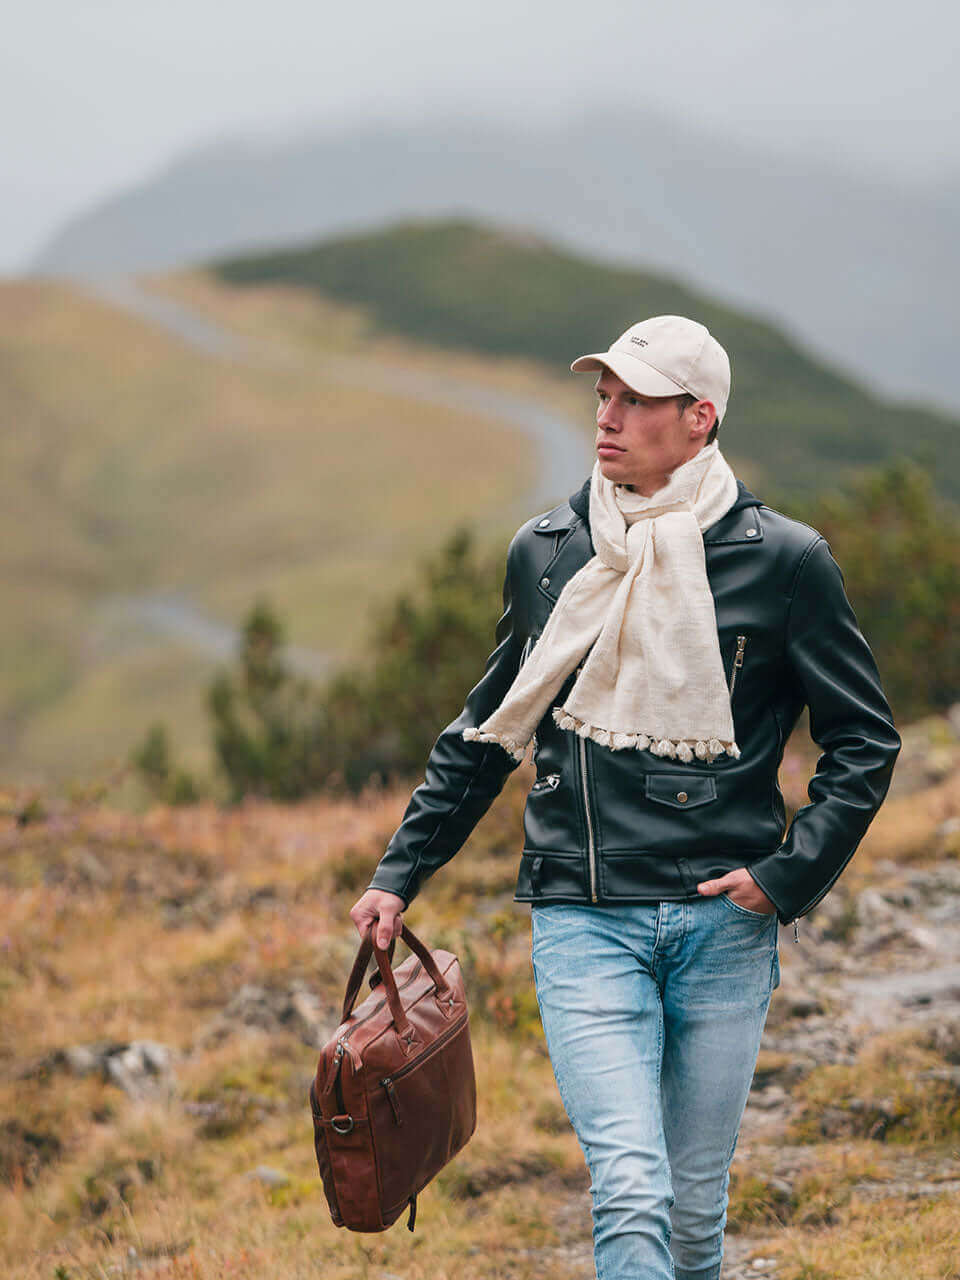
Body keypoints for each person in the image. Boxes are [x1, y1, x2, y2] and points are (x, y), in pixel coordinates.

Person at [350, 314, 901, 1279]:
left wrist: (785, 877)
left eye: (635, 400)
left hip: (724, 923)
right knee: (634, 1189)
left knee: (692, 1210)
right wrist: (399, 875)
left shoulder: (786, 560)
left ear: (700, 417)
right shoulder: (549, 549)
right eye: (602, 396)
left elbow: (864, 739)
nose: (606, 417)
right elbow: (491, 729)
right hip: (583, 917)